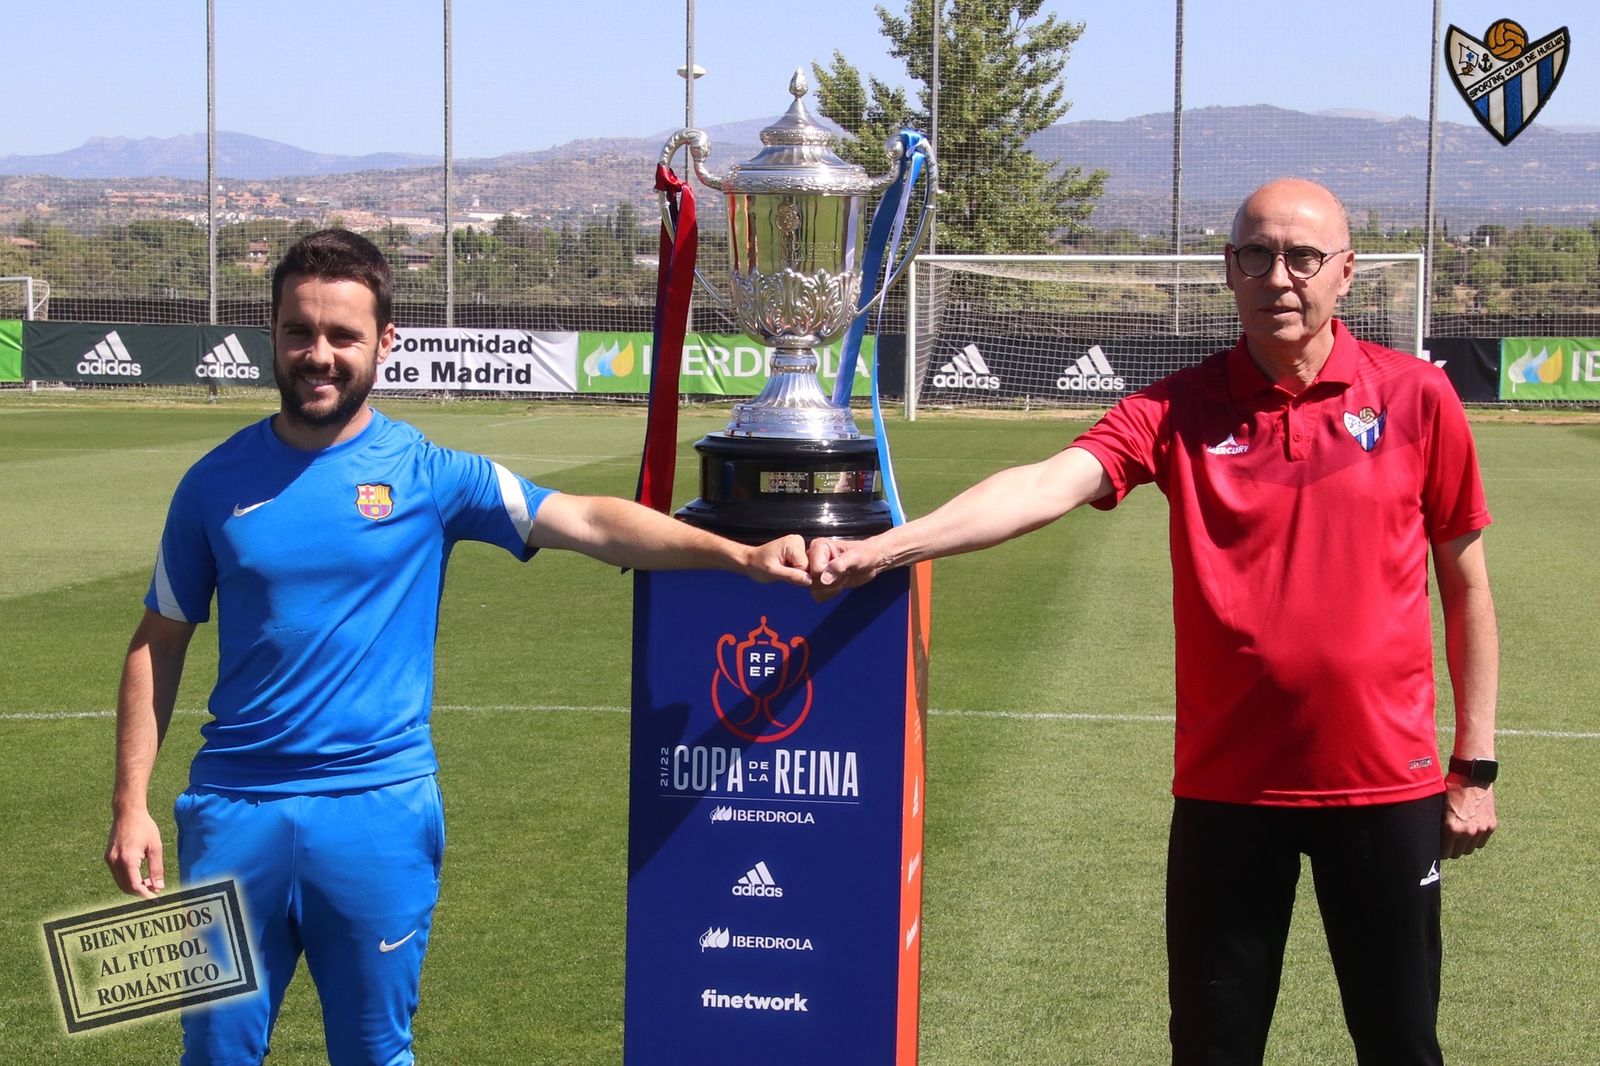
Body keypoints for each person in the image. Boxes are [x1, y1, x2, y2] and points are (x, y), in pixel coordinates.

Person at [808, 178, 1498, 1064]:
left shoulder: (1417, 399)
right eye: (1256, 254)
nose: (1278, 276)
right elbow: (1045, 485)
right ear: (1229, 270)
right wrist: (891, 547)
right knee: (1211, 1050)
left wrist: (1473, 765)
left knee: (1402, 1045)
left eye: (1302, 256)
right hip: (1225, 791)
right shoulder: (1177, 408)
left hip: (1384, 787)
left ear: (1348, 274)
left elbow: (1467, 588)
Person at [104, 228, 810, 1065]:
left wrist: (736, 553)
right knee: (213, 1053)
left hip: (377, 810)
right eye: (300, 331)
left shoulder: (430, 474)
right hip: (230, 816)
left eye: (343, 336)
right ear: (274, 334)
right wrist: (130, 802)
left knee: (375, 1053)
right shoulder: (211, 484)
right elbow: (160, 639)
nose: (318, 354)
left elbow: (584, 519)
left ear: (385, 345)